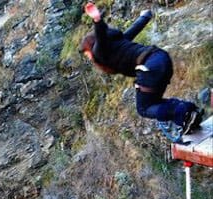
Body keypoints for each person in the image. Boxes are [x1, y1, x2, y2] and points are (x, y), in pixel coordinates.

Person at [80, 3, 203, 134]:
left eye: (87, 54)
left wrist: (97, 20)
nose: (90, 58)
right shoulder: (118, 42)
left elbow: (101, 37)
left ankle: (184, 113)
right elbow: (134, 28)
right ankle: (190, 111)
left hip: (149, 66)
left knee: (144, 108)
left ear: (91, 47)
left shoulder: (99, 52)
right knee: (154, 102)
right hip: (160, 57)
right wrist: (145, 16)